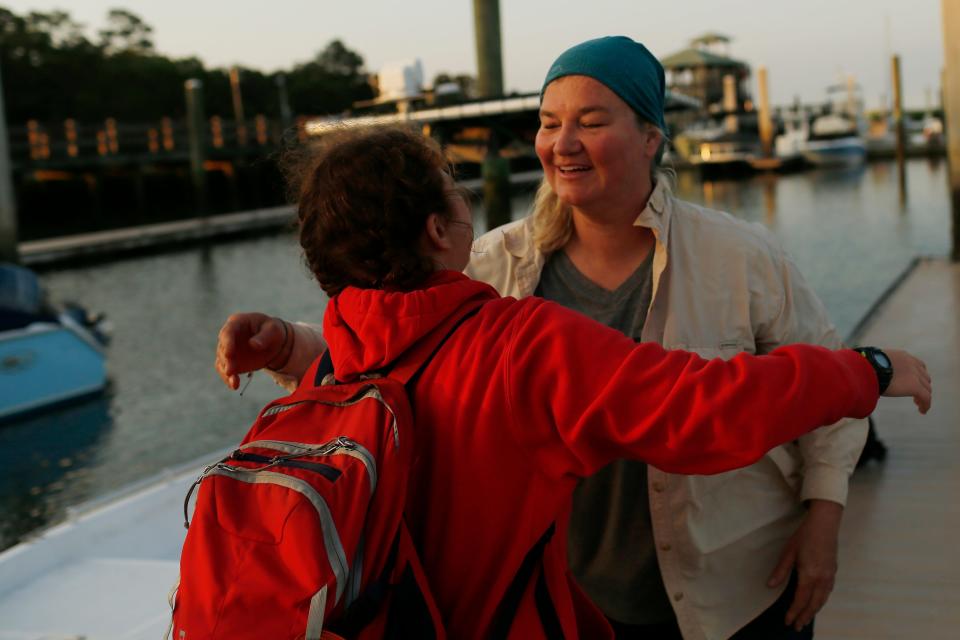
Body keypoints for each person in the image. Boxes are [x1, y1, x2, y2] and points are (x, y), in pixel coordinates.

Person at [216, 39, 930, 639]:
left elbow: (385, 348)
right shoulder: (503, 286)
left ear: (651, 136)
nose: (562, 143)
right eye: (549, 121)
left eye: (590, 120)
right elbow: (702, 408)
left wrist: (824, 522)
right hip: (575, 599)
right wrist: (865, 370)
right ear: (439, 229)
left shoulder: (741, 255)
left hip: (729, 587)